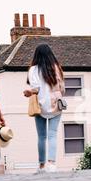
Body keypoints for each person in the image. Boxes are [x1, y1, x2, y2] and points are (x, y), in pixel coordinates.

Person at [23, 44, 65, 173]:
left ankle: (41, 165)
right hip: (55, 104)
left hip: (39, 106)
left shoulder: (33, 70)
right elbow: (62, 88)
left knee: (41, 137)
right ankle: (52, 164)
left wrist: (29, 93)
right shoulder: (56, 68)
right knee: (52, 135)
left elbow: (36, 89)